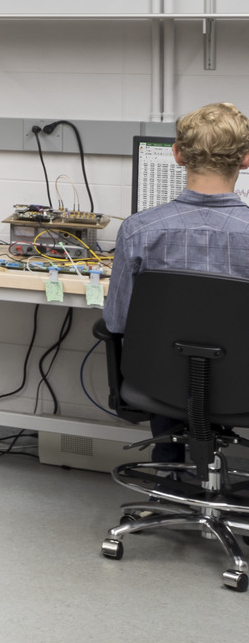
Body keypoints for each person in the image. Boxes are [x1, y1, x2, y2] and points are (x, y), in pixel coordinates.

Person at [104, 100, 249, 460]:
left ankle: (170, 475)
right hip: (243, 387)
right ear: (245, 158)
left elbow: (115, 321)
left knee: (170, 369)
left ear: (178, 154)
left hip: (159, 384)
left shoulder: (138, 230)